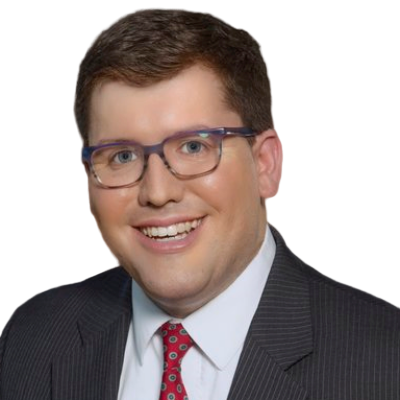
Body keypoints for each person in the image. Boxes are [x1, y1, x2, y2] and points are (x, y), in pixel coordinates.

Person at [1, 7, 398, 400]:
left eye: (193, 147)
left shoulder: (386, 360)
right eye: (122, 156)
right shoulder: (31, 336)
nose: (158, 192)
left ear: (265, 164)